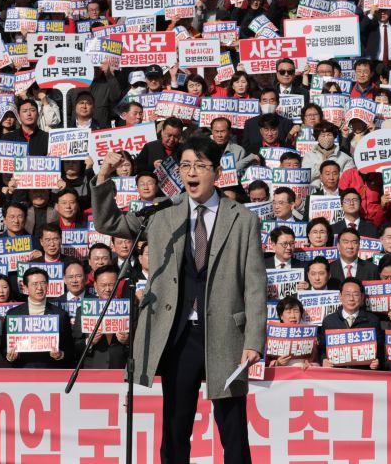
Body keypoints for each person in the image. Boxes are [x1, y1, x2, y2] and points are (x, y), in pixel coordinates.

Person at [91, 137, 266, 463]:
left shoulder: (243, 220)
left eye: (200, 165)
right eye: (186, 165)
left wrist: (254, 339)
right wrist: (104, 176)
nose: (192, 172)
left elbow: (255, 285)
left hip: (227, 334)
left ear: (216, 171)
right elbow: (108, 222)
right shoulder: (162, 213)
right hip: (178, 335)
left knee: (233, 427)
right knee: (175, 424)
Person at [3, 267, 74, 369]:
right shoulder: (13, 314)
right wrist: (10, 356)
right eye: (35, 284)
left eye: (42, 283)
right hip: (22, 371)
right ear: (25, 287)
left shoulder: (60, 315)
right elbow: (4, 348)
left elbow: (70, 349)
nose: (39, 288)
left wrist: (60, 355)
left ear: (47, 285)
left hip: (50, 371)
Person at [72, 265, 129, 369]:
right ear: (95, 285)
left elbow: (140, 341)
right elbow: (75, 345)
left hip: (122, 367)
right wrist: (89, 342)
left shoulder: (128, 309)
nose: (107, 289)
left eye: (112, 284)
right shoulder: (83, 310)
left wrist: (127, 340)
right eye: (103, 285)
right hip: (93, 368)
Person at [318, 277, 381, 369]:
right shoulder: (329, 321)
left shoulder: (372, 320)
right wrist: (323, 359)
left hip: (363, 375)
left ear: (362, 297)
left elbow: (380, 349)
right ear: (340, 296)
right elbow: (322, 348)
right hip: (336, 375)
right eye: (347, 294)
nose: (351, 299)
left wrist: (377, 361)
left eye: (355, 295)